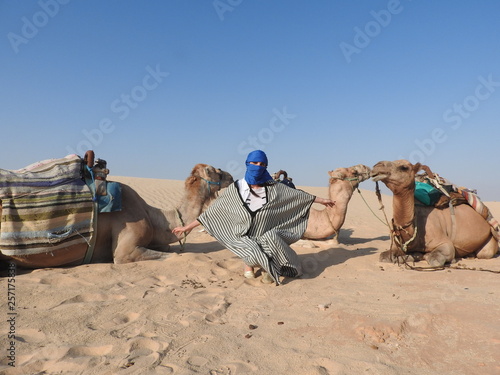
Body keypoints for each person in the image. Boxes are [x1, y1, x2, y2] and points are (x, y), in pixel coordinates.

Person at [172, 150, 335, 285]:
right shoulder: (236, 189)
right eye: (255, 163)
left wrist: (323, 200)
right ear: (248, 164)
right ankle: (250, 264)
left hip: (266, 232)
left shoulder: (273, 187)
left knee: (272, 238)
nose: (259, 167)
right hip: (243, 234)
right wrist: (186, 228)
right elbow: (212, 214)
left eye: (263, 164)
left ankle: (274, 267)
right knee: (251, 252)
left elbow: (297, 196)